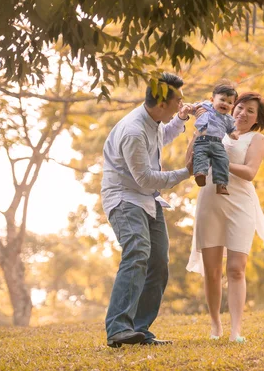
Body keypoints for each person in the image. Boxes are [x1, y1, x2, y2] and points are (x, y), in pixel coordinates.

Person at [101, 72, 193, 348]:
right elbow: (146, 178)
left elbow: (161, 135)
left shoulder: (153, 121)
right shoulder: (133, 130)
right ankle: (118, 328)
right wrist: (186, 172)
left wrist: (181, 120)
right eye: (178, 101)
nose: (181, 104)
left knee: (158, 262)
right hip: (124, 198)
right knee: (138, 251)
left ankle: (139, 329)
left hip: (147, 200)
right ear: (162, 103)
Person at [186, 91, 264, 343]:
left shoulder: (256, 138)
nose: (242, 113)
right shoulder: (212, 128)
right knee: (212, 271)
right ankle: (215, 326)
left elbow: (249, 172)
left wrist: (219, 159)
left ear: (257, 118)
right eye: (240, 107)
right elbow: (190, 165)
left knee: (236, 269)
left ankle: (236, 330)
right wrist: (197, 135)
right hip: (210, 202)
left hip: (240, 205)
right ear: (231, 107)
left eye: (250, 111)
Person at [192, 83, 239, 195]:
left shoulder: (228, 119)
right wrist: (187, 109)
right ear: (212, 100)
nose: (225, 104)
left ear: (233, 106)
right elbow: (192, 108)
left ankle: (221, 183)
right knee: (200, 156)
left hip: (218, 143)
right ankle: (200, 173)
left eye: (229, 102)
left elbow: (231, 130)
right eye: (222, 100)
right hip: (202, 140)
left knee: (223, 160)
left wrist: (233, 134)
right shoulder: (205, 108)